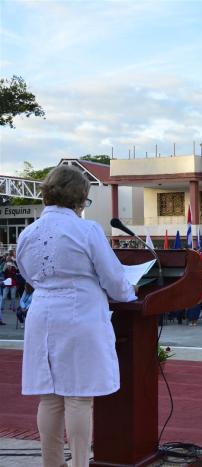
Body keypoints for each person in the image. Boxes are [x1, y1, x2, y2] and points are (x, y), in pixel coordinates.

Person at [16, 165, 137, 466]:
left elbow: (26, 273)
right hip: (78, 315)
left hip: (41, 312)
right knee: (79, 397)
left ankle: (52, 463)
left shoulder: (28, 232)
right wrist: (129, 293)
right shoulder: (86, 230)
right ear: (80, 197)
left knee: (50, 397)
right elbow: (113, 278)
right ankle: (80, 463)